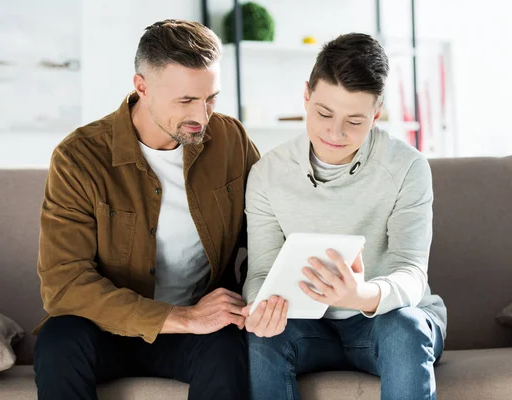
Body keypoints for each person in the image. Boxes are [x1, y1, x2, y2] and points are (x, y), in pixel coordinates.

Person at [33, 19, 259, 400]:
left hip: (199, 332)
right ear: (142, 87)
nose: (202, 116)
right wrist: (182, 318)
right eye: (185, 101)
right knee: (59, 341)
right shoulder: (79, 157)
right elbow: (64, 284)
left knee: (226, 345)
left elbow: (267, 227)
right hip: (105, 330)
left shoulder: (230, 140)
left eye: (211, 98)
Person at [242, 33, 447, 400]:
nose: (335, 133)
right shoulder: (267, 173)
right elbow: (260, 272)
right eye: (324, 113)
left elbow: (412, 272)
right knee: (263, 334)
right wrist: (260, 307)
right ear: (306, 96)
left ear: (376, 112)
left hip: (387, 323)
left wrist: (362, 295)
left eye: (355, 120)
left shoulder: (407, 167)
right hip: (310, 327)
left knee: (406, 327)